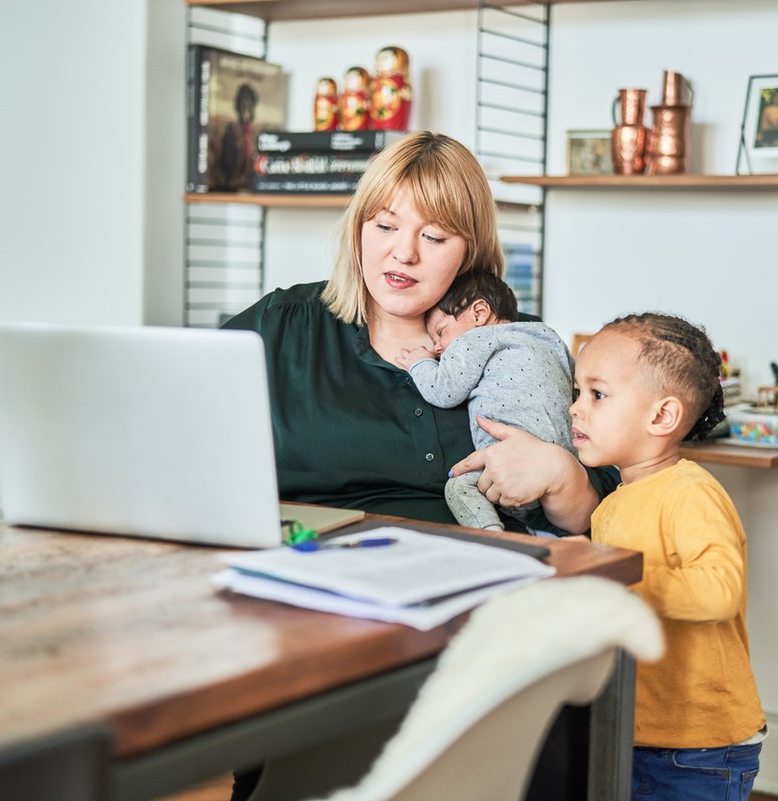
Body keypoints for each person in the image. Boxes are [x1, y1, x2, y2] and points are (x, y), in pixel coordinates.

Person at [221, 130, 616, 800]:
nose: (402, 253)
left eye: (434, 237)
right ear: (358, 228)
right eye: (384, 225)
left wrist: (563, 474)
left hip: (484, 618)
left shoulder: (517, 349)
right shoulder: (284, 327)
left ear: (470, 252)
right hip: (322, 620)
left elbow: (598, 509)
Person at [569, 312, 766, 801]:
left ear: (662, 416)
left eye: (597, 394)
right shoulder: (614, 502)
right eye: (577, 392)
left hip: (698, 749)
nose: (576, 409)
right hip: (635, 732)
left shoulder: (690, 493)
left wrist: (611, 570)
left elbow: (719, 591)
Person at [395, 269, 575, 531]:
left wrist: (419, 362)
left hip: (509, 465)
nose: (437, 347)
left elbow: (443, 391)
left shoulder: (473, 339)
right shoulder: (547, 337)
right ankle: (542, 532)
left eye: (441, 332)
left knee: (458, 486)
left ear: (478, 313)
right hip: (559, 464)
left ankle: (490, 534)